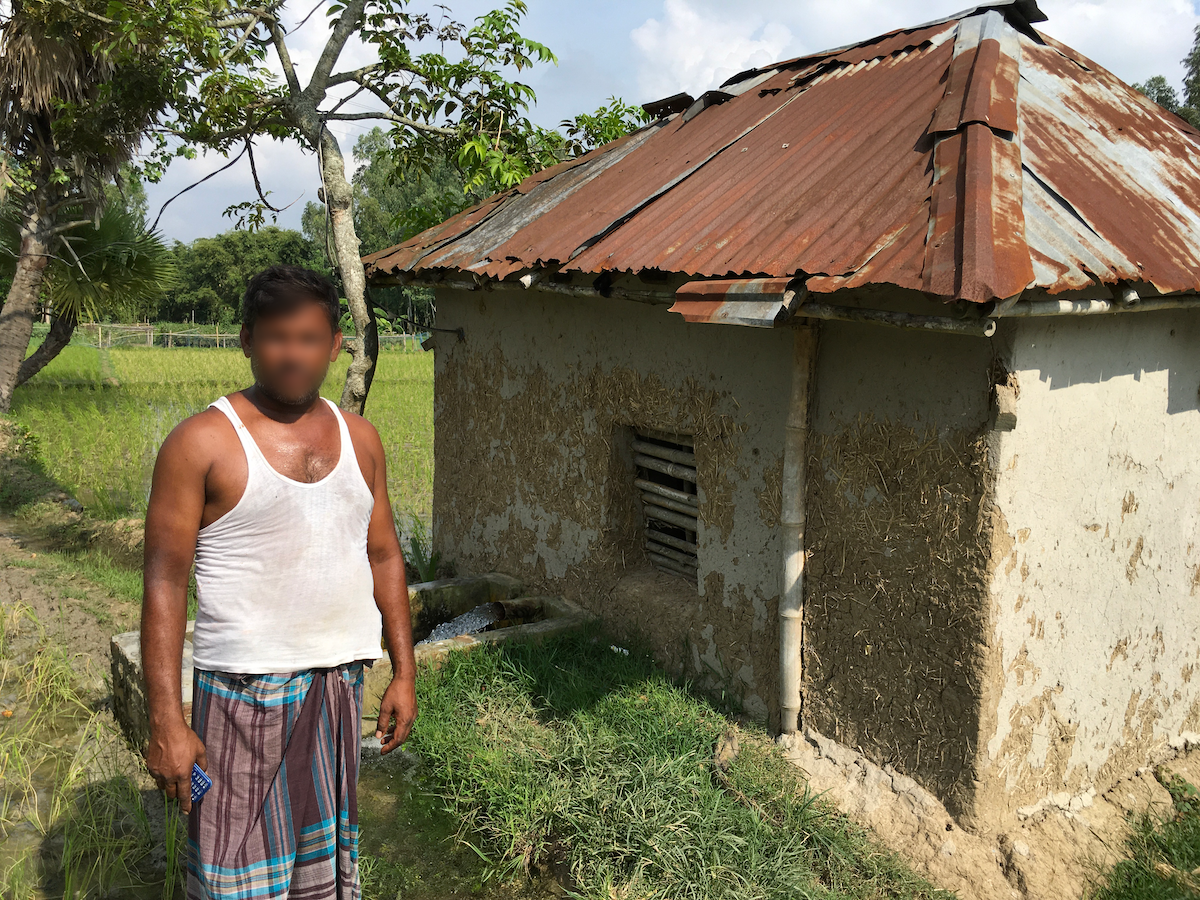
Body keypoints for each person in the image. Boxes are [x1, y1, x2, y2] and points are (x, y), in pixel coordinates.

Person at [140, 264, 418, 899]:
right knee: (232, 871)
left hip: (339, 685)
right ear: (246, 339)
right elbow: (163, 583)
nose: (293, 356)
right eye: (276, 338)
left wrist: (402, 672)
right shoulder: (202, 442)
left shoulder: (360, 439)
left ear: (336, 344)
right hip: (242, 693)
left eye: (309, 339)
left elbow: (384, 556)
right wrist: (166, 721)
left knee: (321, 870)